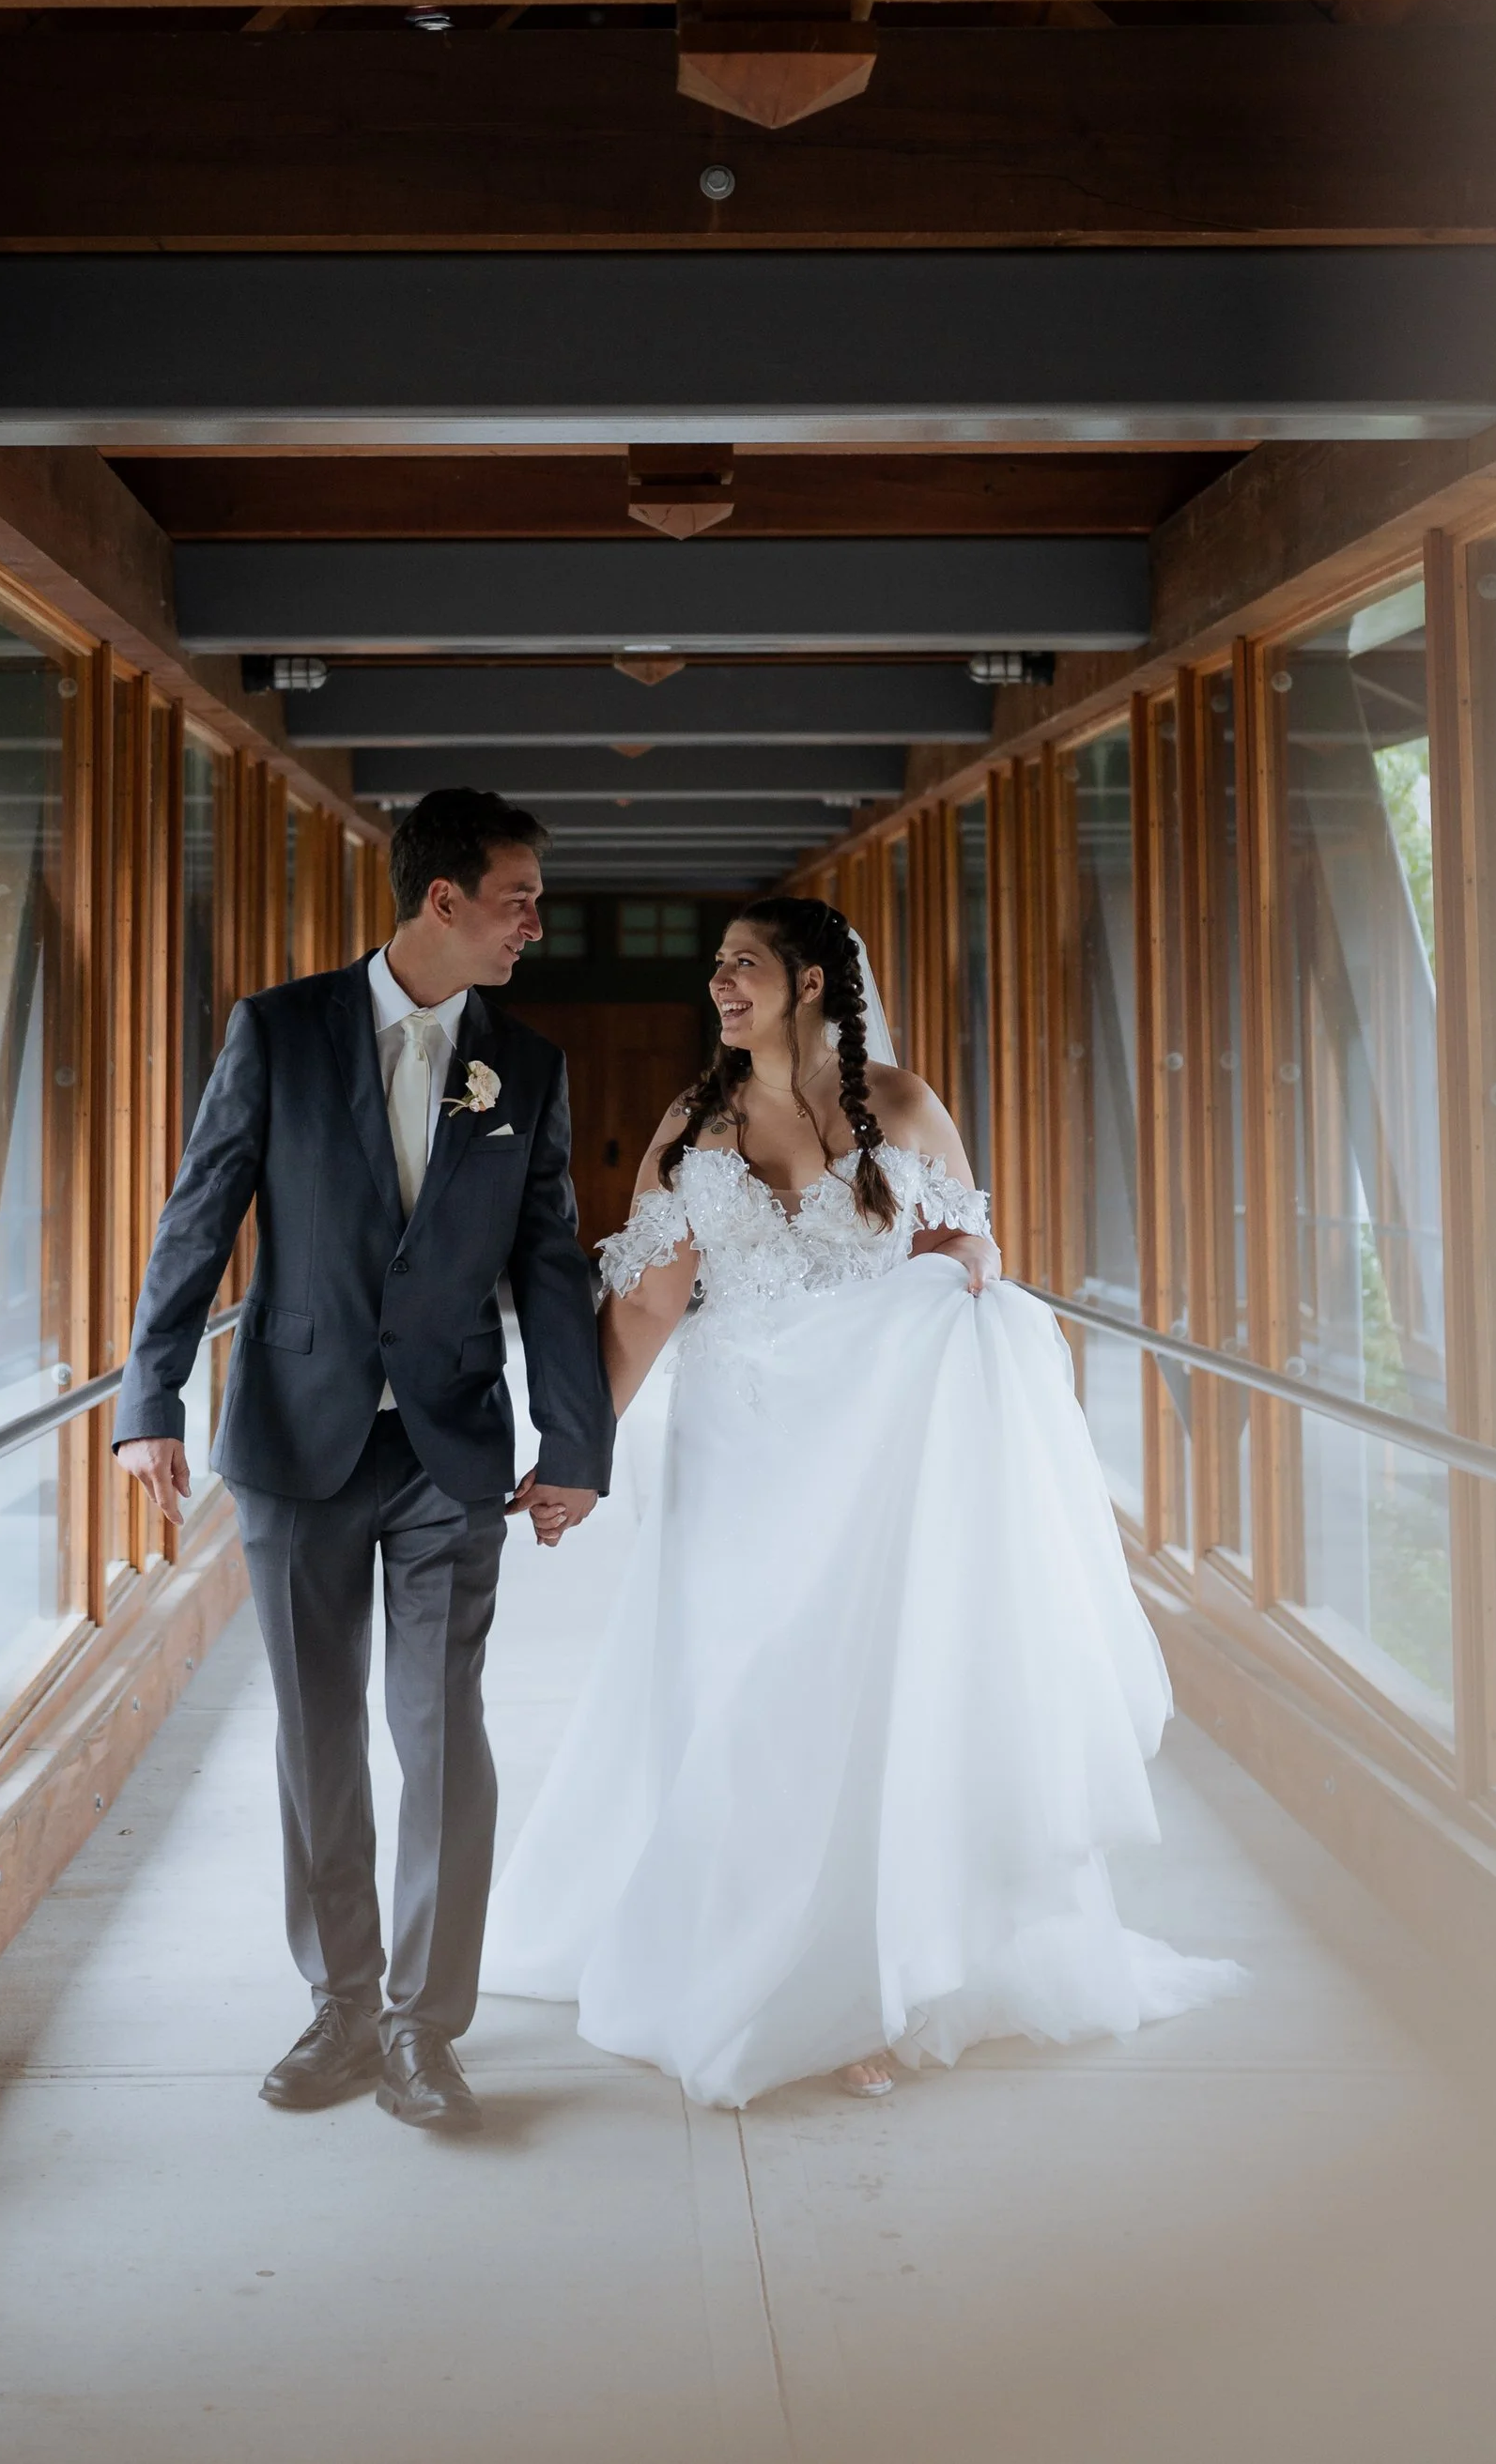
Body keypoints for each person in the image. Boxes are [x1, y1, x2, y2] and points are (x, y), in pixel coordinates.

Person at [483, 894, 1242, 2108]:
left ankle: (861, 1985)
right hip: (739, 1465)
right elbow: (643, 1306)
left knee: (860, 1714)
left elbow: (964, 1259)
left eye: (744, 963)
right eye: (717, 967)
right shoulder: (696, 1123)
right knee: (748, 1707)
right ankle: (755, 1954)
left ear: (813, 982)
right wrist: (582, 1451)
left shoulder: (900, 1106)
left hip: (874, 1472)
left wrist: (940, 1307)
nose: (721, 984)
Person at [114, 786, 611, 2136]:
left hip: (449, 1448)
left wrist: (577, 1438)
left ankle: (421, 2028)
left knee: (444, 1731)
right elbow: (201, 1208)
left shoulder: (531, 1064)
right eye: (517, 898)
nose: (534, 925)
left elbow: (550, 1262)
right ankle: (340, 2000)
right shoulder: (277, 1031)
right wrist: (148, 1390)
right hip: (294, 1437)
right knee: (318, 1731)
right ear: (441, 901)